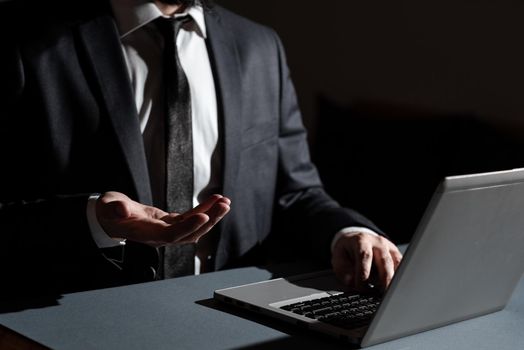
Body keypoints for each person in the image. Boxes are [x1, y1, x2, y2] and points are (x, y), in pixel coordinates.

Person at [0, 0, 402, 295]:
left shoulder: (260, 46)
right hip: (73, 320)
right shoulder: (21, 39)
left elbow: (296, 192)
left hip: (229, 319)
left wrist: (347, 232)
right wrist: (94, 219)